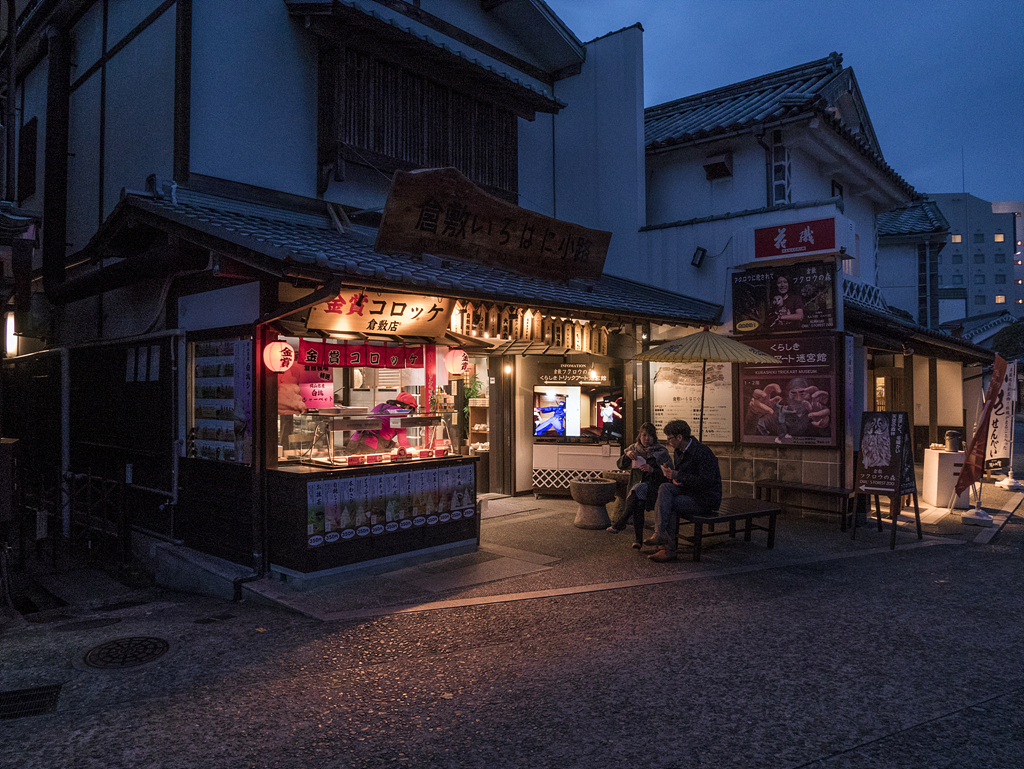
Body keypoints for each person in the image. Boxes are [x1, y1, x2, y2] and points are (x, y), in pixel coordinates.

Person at [645, 419, 723, 563]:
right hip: (689, 492)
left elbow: (706, 482)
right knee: (665, 488)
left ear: (680, 437)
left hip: (705, 498)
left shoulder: (702, 452)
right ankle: (659, 534)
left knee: (669, 504)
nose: (668, 442)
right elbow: (683, 477)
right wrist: (674, 478)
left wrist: (678, 475)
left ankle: (668, 549)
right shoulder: (679, 451)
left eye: (670, 438)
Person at [606, 422, 672, 549]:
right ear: (639, 436)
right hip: (638, 487)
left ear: (654, 437)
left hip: (655, 489)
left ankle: (621, 522)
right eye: (644, 435)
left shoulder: (661, 451)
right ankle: (638, 540)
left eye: (650, 435)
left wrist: (652, 469)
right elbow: (620, 465)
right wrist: (627, 455)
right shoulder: (633, 449)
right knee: (638, 503)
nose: (647, 438)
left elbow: (669, 472)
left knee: (637, 490)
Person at [749, 377, 830, 442]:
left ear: (809, 395)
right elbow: (752, 433)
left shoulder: (817, 414)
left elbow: (829, 438)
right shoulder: (776, 414)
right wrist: (753, 413)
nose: (798, 399)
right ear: (787, 395)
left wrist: (825, 425)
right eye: (793, 393)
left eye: (802, 393)